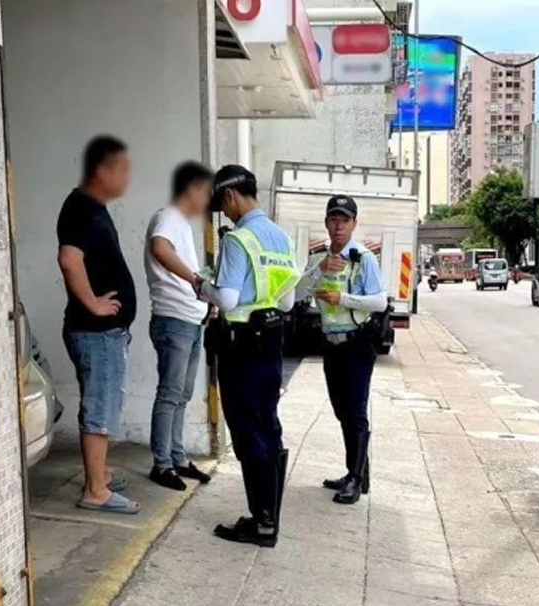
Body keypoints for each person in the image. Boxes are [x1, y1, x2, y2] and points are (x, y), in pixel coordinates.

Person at [194, 165, 300, 547]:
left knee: (247, 431)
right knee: (268, 426)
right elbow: (286, 300)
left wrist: (201, 285)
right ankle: (268, 516)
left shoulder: (239, 240)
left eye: (222, 205)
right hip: (271, 343)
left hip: (241, 347)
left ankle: (262, 523)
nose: (224, 213)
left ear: (229, 196)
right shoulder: (281, 238)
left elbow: (227, 299)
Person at [57, 135, 139, 515]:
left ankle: (99, 474)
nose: (127, 178)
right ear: (102, 170)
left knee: (103, 403)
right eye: (122, 170)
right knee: (99, 408)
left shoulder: (91, 207)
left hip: (103, 334)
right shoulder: (81, 208)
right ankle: (96, 491)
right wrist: (93, 303)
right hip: (96, 333)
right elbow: (69, 259)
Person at [299, 196, 386, 504]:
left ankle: (355, 478)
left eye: (345, 220)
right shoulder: (319, 258)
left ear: (354, 224)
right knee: (341, 410)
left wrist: (343, 299)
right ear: (326, 223)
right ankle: (358, 472)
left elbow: (379, 301)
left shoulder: (363, 259)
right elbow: (297, 293)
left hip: (357, 343)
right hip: (331, 344)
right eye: (334, 220)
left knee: (355, 411)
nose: (339, 226)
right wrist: (319, 269)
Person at [143, 162, 215, 491]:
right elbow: (159, 248)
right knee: (170, 394)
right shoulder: (168, 217)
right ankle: (161, 464)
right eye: (206, 192)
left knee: (182, 395)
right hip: (173, 319)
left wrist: (204, 299)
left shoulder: (181, 224)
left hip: (190, 319)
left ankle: (176, 457)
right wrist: (195, 280)